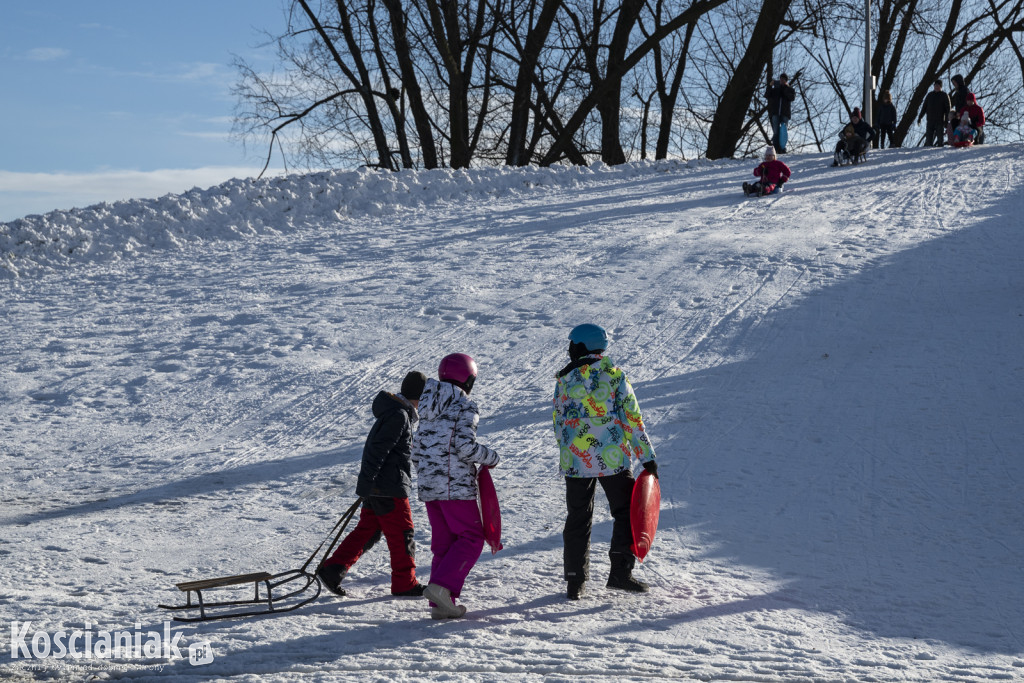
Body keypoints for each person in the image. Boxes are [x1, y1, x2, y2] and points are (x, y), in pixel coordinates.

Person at [553, 324, 658, 601]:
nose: (569, 349)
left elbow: (558, 420)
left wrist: (568, 451)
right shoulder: (614, 376)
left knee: (578, 517)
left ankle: (575, 579)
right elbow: (631, 417)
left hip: (576, 460)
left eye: (572, 344)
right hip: (612, 458)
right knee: (626, 513)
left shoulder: (564, 379)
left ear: (582, 346)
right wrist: (646, 456)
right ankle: (620, 573)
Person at [317, 371, 428, 598]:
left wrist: (369, 483)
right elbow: (377, 450)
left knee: (369, 530)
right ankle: (404, 583)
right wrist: (367, 482)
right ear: (420, 396)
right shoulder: (399, 415)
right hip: (389, 487)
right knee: (403, 533)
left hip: (379, 485)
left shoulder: (396, 412)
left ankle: (333, 570)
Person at [412, 353, 499, 619]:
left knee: (444, 544)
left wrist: (428, 475)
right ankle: (442, 587)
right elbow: (465, 447)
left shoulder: (426, 406)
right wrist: (491, 457)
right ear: (469, 379)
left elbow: (416, 450)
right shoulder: (464, 405)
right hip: (455, 486)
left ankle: (441, 604)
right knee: (472, 538)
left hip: (429, 486)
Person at [765, 73, 796, 154]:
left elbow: (792, 97)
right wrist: (770, 86)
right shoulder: (775, 89)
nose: (781, 81)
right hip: (775, 113)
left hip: (785, 114)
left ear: (786, 81)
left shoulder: (790, 89)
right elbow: (767, 95)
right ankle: (776, 150)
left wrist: (785, 88)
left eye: (783, 79)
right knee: (776, 132)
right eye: (780, 79)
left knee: (783, 131)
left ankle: (782, 148)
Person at [918, 80, 951, 147]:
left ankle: (940, 150)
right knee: (929, 139)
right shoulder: (930, 95)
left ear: (940, 86)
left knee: (940, 139)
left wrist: (946, 120)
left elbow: (948, 109)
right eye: (935, 85)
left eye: (938, 85)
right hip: (930, 120)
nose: (936, 87)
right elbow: (924, 107)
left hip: (940, 120)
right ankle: (928, 150)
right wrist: (920, 117)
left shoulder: (944, 95)